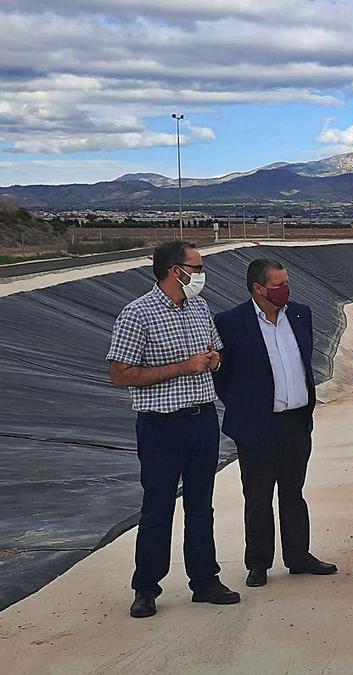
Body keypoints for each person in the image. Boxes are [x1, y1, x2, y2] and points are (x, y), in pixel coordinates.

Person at [106, 241, 240, 618]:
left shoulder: (199, 306)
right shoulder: (137, 314)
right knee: (157, 507)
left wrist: (213, 360)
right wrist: (183, 367)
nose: (201, 274)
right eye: (196, 267)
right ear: (173, 269)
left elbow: (214, 351)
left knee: (201, 506)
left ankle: (204, 580)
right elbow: (120, 373)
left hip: (202, 420)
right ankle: (146, 587)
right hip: (161, 426)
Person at [212, 258, 337, 588]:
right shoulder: (230, 322)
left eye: (286, 283)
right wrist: (245, 408)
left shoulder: (300, 314)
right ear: (258, 288)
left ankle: (299, 557)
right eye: (279, 285)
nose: (286, 290)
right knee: (257, 496)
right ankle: (258, 562)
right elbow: (222, 377)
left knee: (294, 493)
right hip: (256, 425)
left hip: (296, 421)